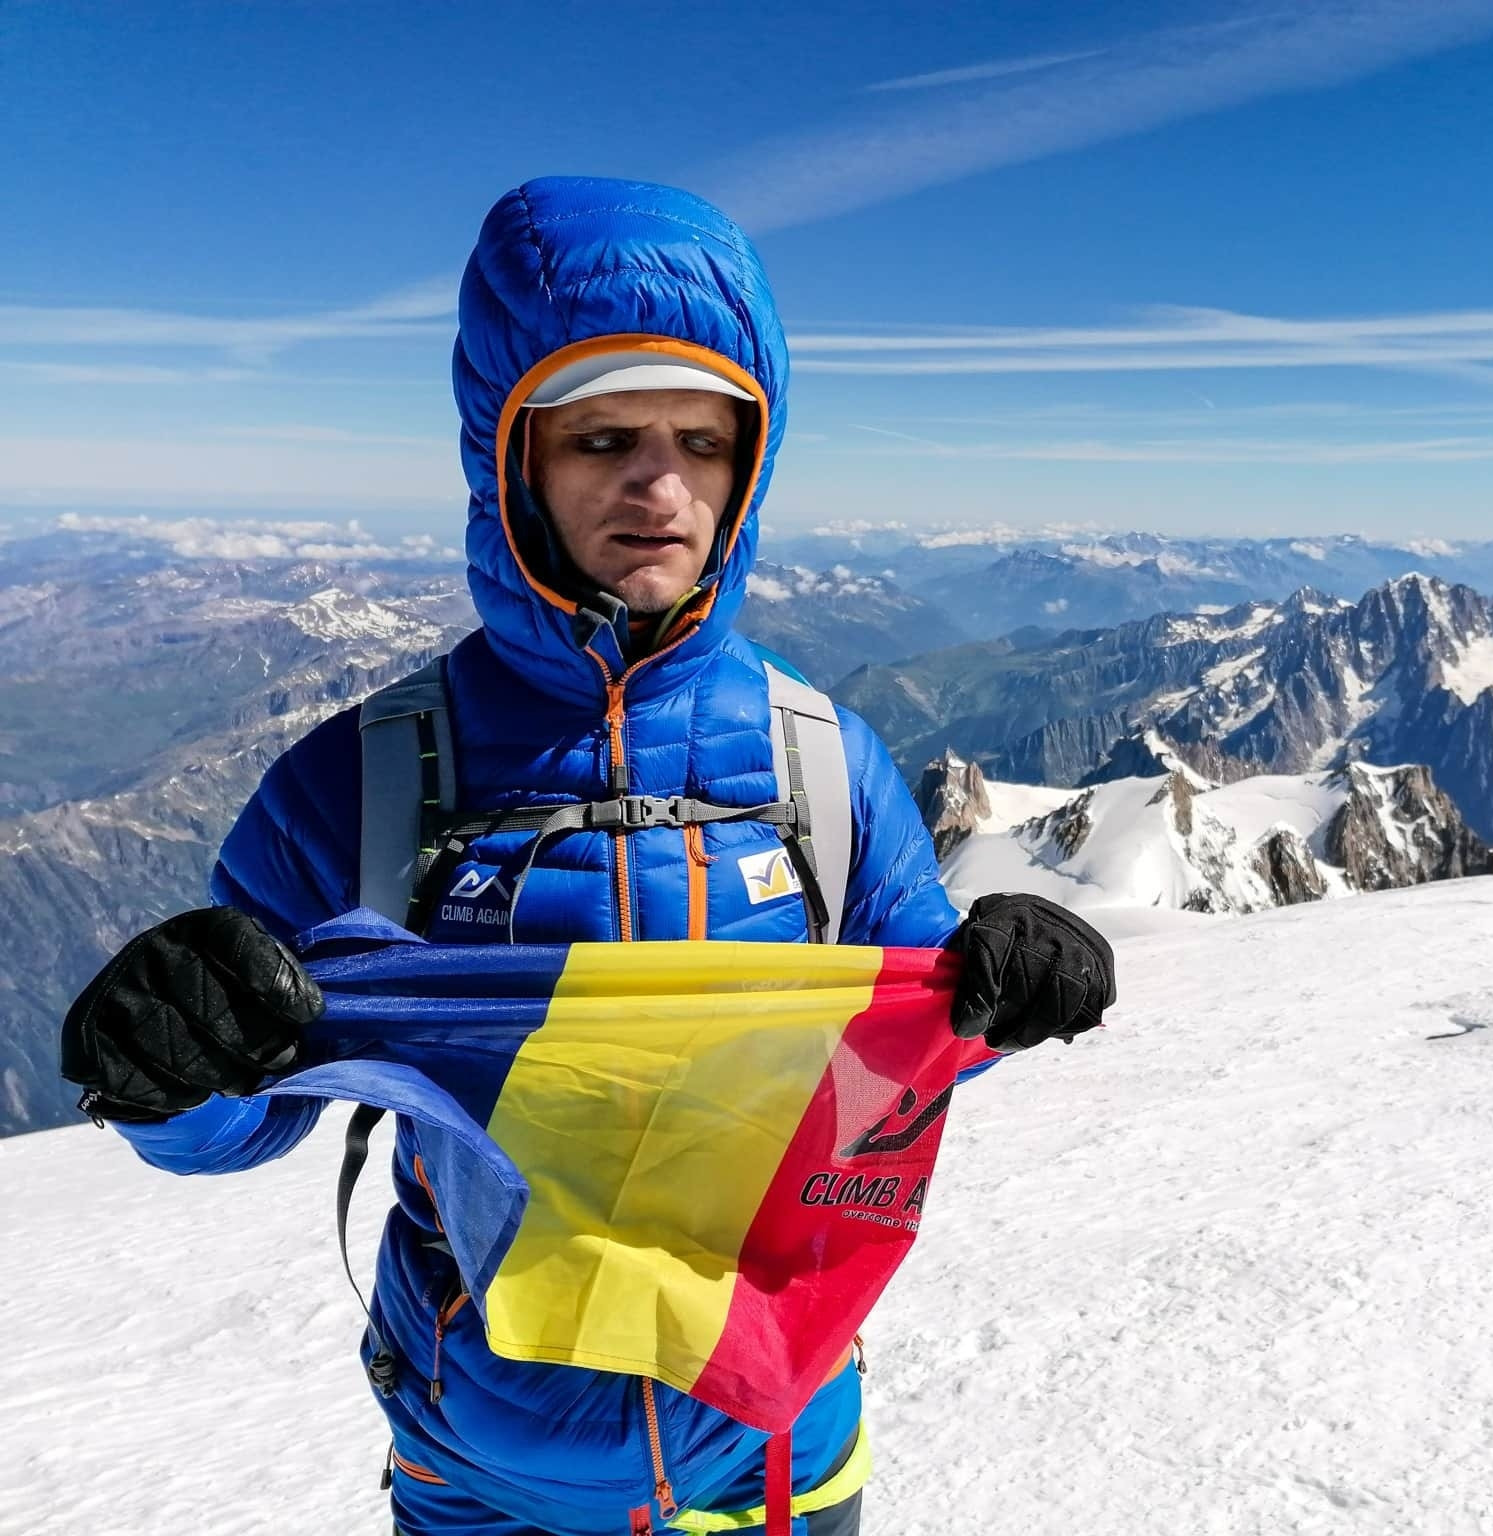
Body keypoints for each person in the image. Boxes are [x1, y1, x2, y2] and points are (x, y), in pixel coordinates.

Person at [60, 177, 1116, 1536]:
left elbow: (889, 1058)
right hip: (484, 1478)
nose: (660, 488)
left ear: (753, 461)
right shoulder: (364, 780)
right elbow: (246, 1114)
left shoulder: (821, 762)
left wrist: (1002, 993)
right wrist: (168, 1068)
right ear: (512, 460)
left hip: (771, 1454)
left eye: (704, 440)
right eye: (602, 436)